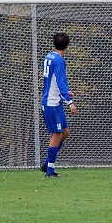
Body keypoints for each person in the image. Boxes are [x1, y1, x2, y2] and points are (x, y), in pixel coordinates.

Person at [40, 32, 77, 178]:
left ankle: (47, 163)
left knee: (65, 133)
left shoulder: (49, 57)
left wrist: (66, 93)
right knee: (57, 134)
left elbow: (52, 81)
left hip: (55, 100)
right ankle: (50, 171)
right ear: (67, 46)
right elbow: (60, 82)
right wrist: (70, 103)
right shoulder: (60, 60)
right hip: (52, 103)